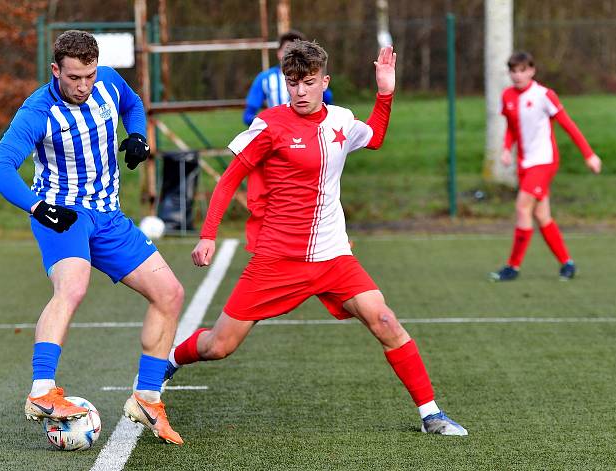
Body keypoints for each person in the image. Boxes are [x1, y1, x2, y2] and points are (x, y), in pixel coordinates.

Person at [165, 41, 467, 436]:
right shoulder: (270, 124)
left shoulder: (341, 119)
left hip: (333, 256)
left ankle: (431, 414)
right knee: (219, 346)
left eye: (308, 83)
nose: (300, 92)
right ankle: (168, 360)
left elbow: (374, 137)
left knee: (385, 320)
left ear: (325, 81)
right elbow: (228, 180)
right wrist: (208, 235)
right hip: (277, 258)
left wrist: (385, 91)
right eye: (293, 83)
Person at [0, 30, 184, 445]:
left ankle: (147, 399)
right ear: (56, 70)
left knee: (169, 293)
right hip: (62, 215)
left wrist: (136, 135)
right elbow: (1, 169)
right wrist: (38, 207)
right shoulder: (37, 111)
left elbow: (132, 104)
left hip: (108, 217)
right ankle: (42, 392)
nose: (83, 86)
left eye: (89, 76)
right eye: (74, 77)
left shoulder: (108, 82)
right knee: (73, 288)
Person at [490, 51, 602, 282]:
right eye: (514, 71)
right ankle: (567, 264)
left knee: (522, 208)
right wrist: (505, 149)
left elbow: (568, 125)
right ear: (509, 73)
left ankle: (513, 267)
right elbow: (511, 127)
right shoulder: (507, 96)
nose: (518, 75)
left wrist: (589, 154)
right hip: (525, 163)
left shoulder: (544, 95)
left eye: (523, 70)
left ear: (532, 71)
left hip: (544, 161)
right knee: (542, 215)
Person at [242, 30, 333, 126]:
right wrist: (270, 123)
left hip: (309, 130)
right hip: (278, 134)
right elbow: (248, 115)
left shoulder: (315, 77)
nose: (291, 56)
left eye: (309, 83)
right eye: (287, 50)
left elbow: (327, 102)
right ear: (278, 53)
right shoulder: (264, 78)